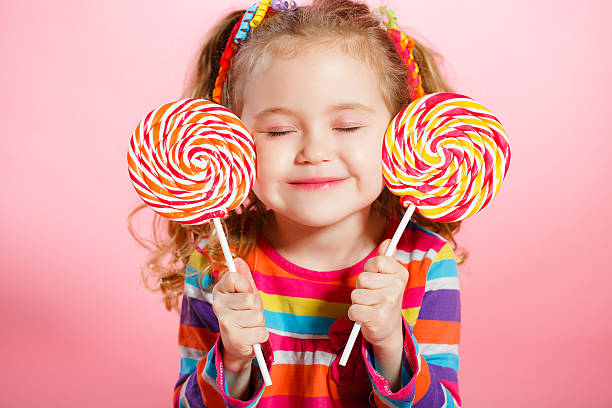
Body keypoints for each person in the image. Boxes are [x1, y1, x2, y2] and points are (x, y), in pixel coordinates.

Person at [128, 0, 467, 406]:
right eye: (278, 131)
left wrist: (391, 344)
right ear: (229, 137)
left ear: (402, 129)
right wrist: (233, 362)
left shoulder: (425, 263)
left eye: (348, 125)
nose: (315, 151)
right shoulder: (218, 263)